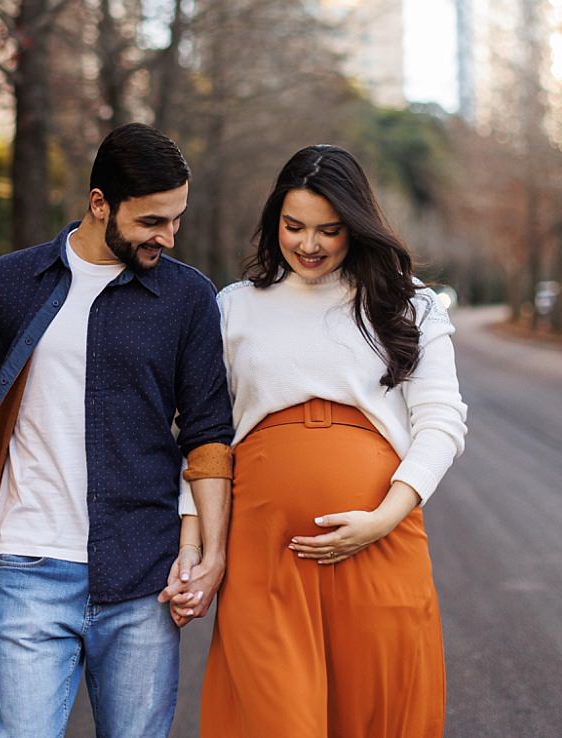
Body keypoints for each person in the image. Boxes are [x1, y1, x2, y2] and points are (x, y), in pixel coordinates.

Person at [0, 123, 233, 738]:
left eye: (175, 219)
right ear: (100, 204)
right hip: (31, 564)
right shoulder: (11, 283)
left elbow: (207, 436)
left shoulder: (187, 298)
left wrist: (210, 551)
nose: (168, 237)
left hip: (144, 575)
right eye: (152, 221)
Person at [163, 143, 467, 738]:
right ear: (274, 219)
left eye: (329, 230)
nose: (308, 244)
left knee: (375, 713)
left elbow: (442, 423)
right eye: (293, 226)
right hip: (261, 551)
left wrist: (384, 518)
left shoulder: (407, 306)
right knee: (275, 716)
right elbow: (203, 437)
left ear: (356, 226)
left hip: (378, 540)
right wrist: (194, 543)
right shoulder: (234, 308)